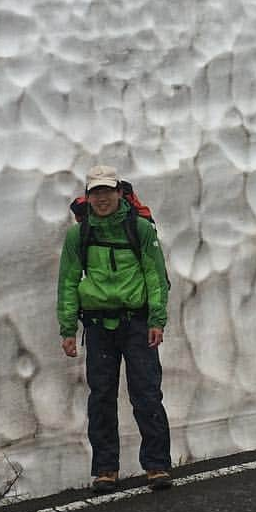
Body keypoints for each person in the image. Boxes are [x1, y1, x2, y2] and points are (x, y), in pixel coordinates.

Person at [57, 165, 173, 493]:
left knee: (147, 395)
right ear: (88, 196)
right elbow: (67, 281)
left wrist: (156, 320)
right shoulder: (79, 235)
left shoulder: (140, 229)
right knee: (102, 398)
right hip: (97, 325)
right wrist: (67, 328)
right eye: (96, 192)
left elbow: (156, 277)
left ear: (119, 192)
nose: (102, 198)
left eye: (107, 191)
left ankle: (157, 466)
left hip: (137, 323)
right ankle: (105, 470)